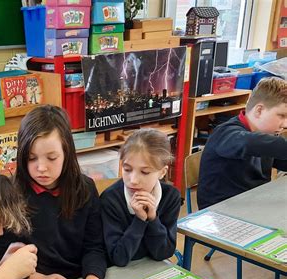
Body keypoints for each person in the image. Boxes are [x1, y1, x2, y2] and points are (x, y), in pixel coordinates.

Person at [0, 105, 107, 279]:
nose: (41, 167)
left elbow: (94, 246)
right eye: (31, 158)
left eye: (52, 158)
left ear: (67, 153)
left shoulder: (85, 188)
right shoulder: (11, 193)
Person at [197, 77, 287, 210]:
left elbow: (280, 157)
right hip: (220, 213)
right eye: (282, 115)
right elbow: (248, 143)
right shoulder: (226, 133)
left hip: (254, 203)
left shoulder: (267, 134)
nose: (285, 124)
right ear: (259, 110)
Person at [100, 129, 181, 267]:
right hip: (118, 274)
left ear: (162, 172)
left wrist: (153, 219)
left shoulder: (171, 196)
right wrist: (140, 220)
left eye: (145, 172)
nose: (133, 180)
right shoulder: (110, 199)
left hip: (151, 271)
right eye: (127, 169)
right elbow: (118, 258)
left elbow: (164, 253)